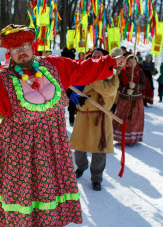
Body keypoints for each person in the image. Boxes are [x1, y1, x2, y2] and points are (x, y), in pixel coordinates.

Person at [0, 24, 126, 227]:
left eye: (25, 46)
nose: (21, 52)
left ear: (32, 46)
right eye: (15, 49)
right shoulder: (1, 81)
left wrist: (109, 62)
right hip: (20, 156)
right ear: (9, 53)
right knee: (23, 208)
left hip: (53, 151)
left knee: (48, 205)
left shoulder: (54, 66)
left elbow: (82, 69)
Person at [70, 48, 119, 191]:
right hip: (83, 116)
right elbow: (74, 88)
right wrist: (76, 97)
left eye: (99, 56)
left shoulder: (112, 75)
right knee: (78, 147)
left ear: (105, 59)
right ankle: (81, 167)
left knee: (99, 151)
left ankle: (96, 178)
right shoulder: (83, 72)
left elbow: (108, 91)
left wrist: (92, 77)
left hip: (100, 117)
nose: (96, 58)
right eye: (93, 56)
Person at [113, 55, 146, 146]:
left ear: (137, 63)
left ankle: (132, 139)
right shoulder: (122, 71)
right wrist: (125, 90)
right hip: (124, 98)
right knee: (121, 117)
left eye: (134, 62)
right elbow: (118, 85)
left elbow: (144, 85)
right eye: (130, 62)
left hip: (136, 100)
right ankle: (120, 137)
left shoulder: (140, 71)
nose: (132, 64)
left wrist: (135, 86)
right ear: (127, 62)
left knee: (134, 120)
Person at [61, 47, 77, 126]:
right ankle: (65, 120)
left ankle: (71, 120)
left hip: (72, 84)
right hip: (63, 84)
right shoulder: (62, 62)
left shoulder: (72, 63)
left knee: (71, 103)